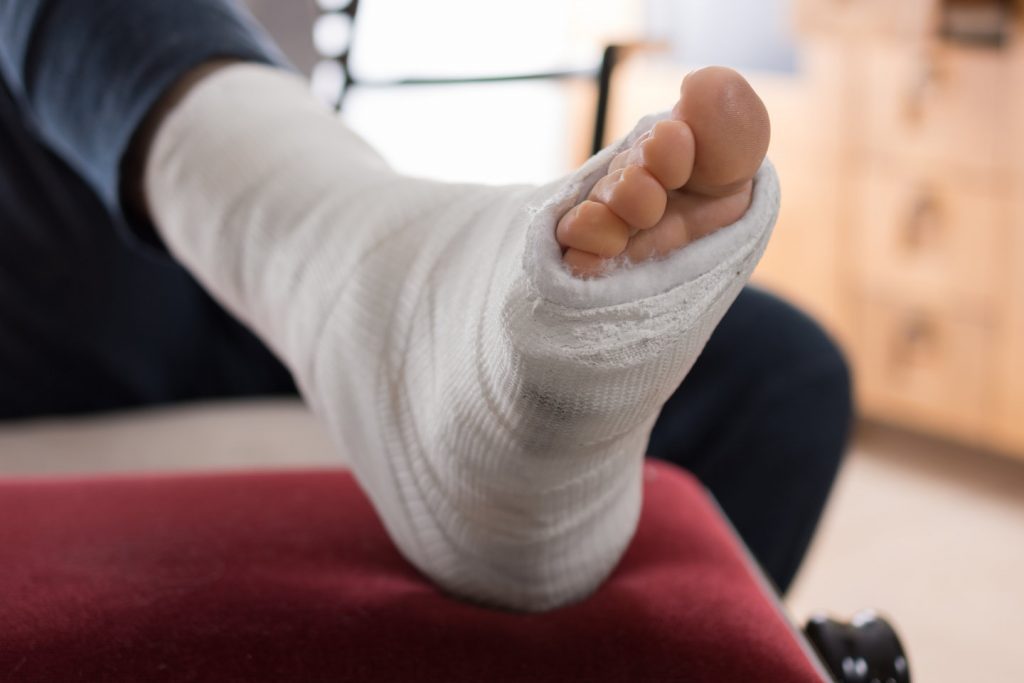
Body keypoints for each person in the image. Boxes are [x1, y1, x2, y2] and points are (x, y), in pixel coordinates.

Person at [0, 0, 851, 612]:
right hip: (54, 278)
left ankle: (407, 312)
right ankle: (377, 286)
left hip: (213, 251)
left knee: (781, 375)